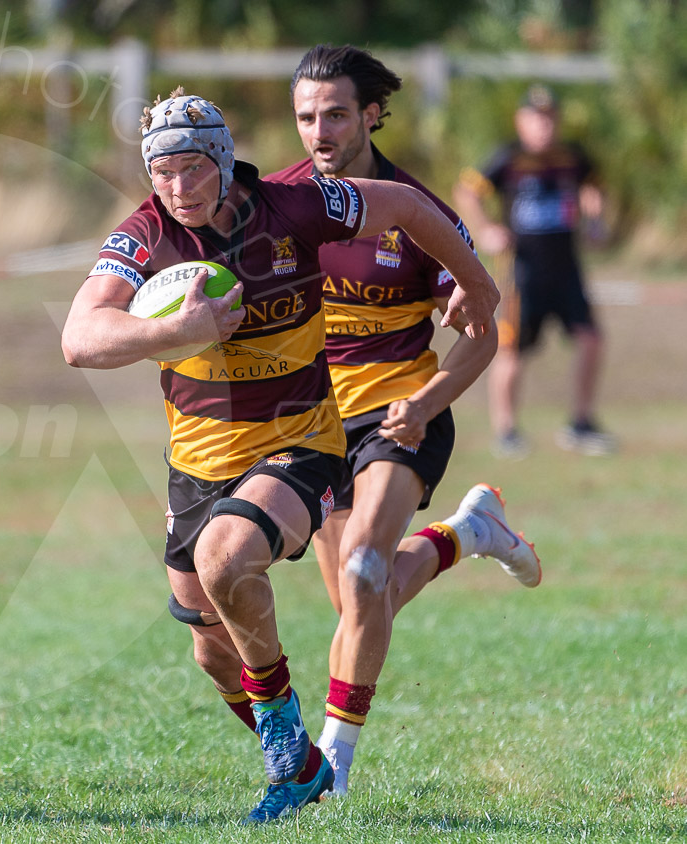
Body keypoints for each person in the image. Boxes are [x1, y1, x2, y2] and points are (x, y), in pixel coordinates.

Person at [61, 89, 499, 823]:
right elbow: (79, 338)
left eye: (193, 168)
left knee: (228, 560)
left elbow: (403, 204)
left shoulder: (295, 207)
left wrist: (478, 280)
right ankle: (300, 761)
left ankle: (287, 756)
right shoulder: (145, 234)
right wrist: (176, 332)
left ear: (224, 162)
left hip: (300, 441)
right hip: (197, 462)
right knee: (210, 651)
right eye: (162, 171)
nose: (178, 187)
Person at [266, 44, 544, 797]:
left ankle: (335, 765)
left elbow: (485, 331)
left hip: (403, 413)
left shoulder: (417, 212)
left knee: (363, 573)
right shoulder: (277, 203)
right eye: (305, 117)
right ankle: (467, 534)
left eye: (335, 114)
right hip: (310, 426)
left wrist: (425, 404)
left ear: (372, 114)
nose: (319, 131)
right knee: (364, 599)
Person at [454, 84, 612, 458]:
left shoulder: (572, 157)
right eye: (536, 118)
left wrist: (595, 219)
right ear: (521, 121)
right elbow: (467, 190)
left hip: (567, 270)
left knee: (591, 340)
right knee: (512, 350)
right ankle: (506, 431)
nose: (544, 126)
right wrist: (486, 229)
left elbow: (595, 186)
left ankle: (581, 423)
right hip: (523, 274)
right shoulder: (507, 158)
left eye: (550, 118)